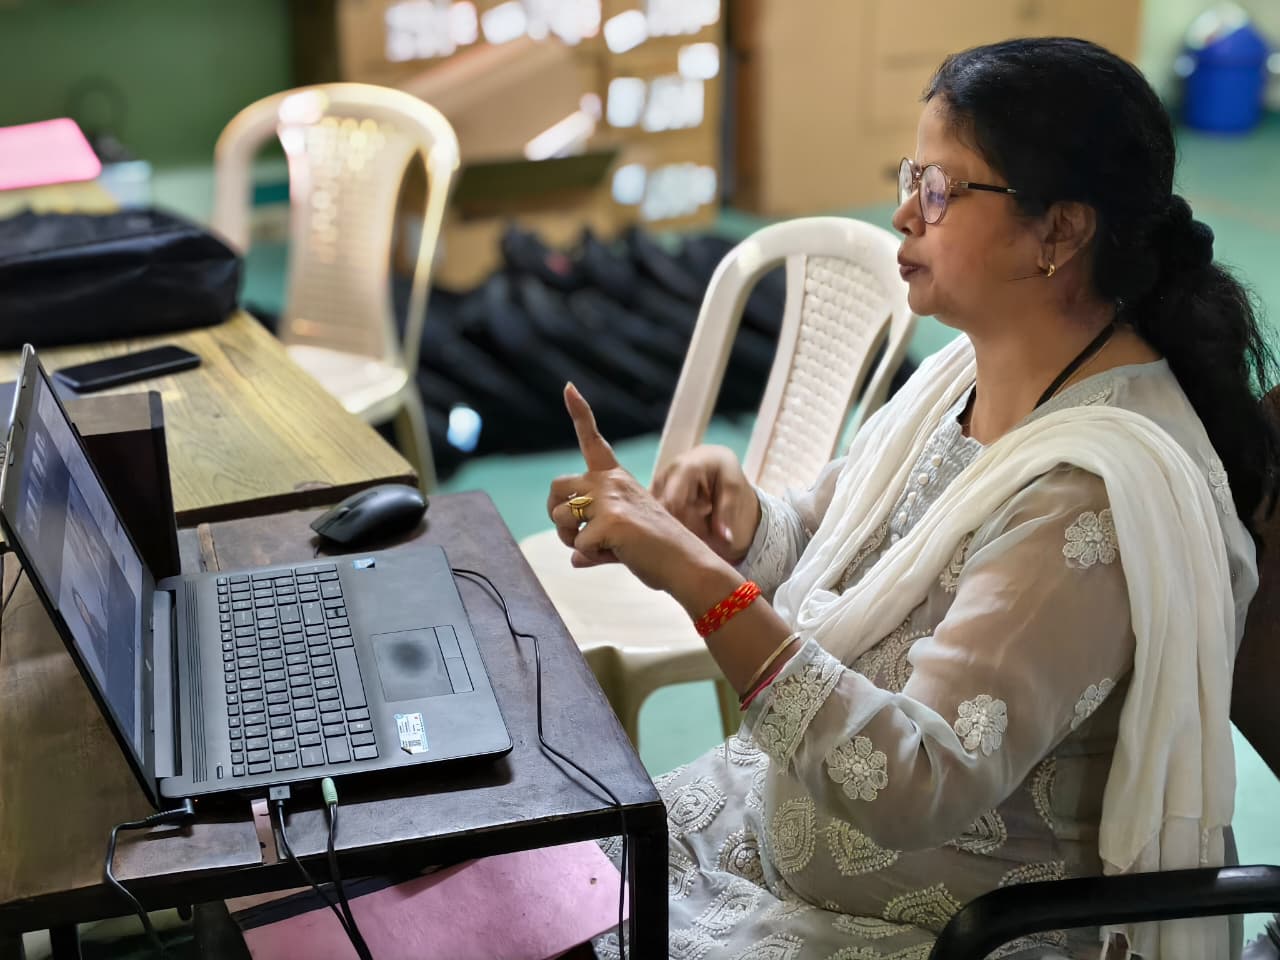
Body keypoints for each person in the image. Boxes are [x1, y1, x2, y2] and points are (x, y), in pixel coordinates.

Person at [545, 37, 1277, 960]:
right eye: (909, 176)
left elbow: (918, 781)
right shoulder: (962, 375)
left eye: (940, 189)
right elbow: (831, 545)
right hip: (768, 840)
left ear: (1060, 231)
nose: (901, 212)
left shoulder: (1087, 497)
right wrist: (735, 528)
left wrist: (700, 583)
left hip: (928, 932)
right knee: (528, 894)